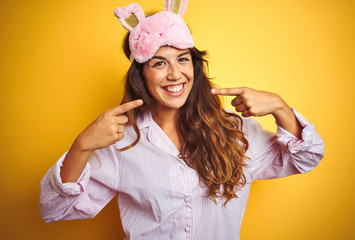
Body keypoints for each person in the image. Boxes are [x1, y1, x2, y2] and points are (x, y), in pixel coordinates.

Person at [39, 0, 325, 239]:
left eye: (183, 59)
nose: (175, 74)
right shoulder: (121, 142)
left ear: (195, 66)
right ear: (142, 75)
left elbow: (307, 157)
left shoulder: (233, 131)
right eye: (159, 63)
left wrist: (279, 106)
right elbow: (54, 209)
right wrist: (82, 147)